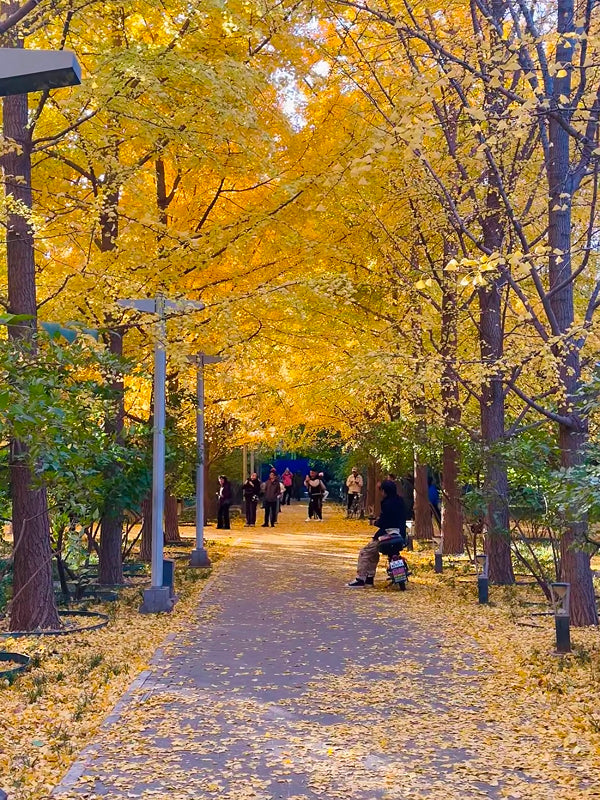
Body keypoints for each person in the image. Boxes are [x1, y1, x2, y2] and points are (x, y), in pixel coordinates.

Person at [347, 479, 407, 587]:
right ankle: (369, 579)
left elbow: (385, 521)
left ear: (385, 491)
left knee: (366, 552)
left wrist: (376, 522)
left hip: (387, 534)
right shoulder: (400, 501)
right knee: (373, 552)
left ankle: (361, 578)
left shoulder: (387, 503)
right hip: (400, 534)